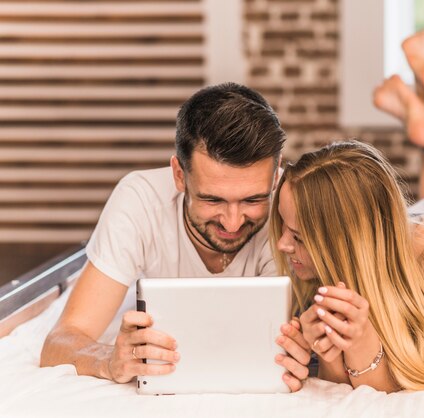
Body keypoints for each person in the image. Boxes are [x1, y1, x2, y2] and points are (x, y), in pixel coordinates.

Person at [269, 30, 424, 393]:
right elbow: (348, 384)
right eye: (284, 227)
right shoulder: (331, 263)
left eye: (297, 236)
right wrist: (327, 352)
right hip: (415, 221)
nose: (281, 245)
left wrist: (359, 345)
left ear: (347, 238)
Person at [40, 83, 310, 392]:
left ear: (274, 179)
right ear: (179, 175)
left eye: (252, 200)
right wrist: (107, 360)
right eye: (213, 200)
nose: (233, 223)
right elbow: (60, 340)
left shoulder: (286, 215)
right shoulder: (139, 199)